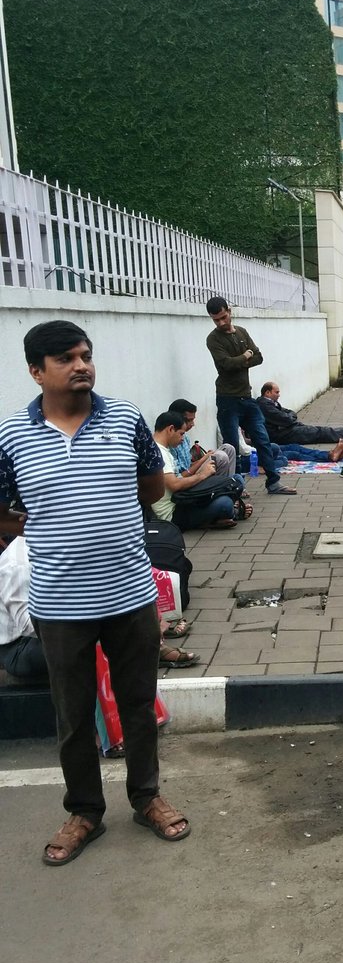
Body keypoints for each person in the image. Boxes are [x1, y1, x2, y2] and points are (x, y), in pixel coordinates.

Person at [0, 319, 190, 865]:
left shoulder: (126, 419)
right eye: (66, 359)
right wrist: (53, 531)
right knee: (74, 712)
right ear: (36, 371)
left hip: (130, 595)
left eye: (85, 355)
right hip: (60, 605)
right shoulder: (12, 437)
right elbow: (7, 510)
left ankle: (147, 797)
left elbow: (151, 488)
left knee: (137, 704)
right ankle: (85, 810)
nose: (81, 365)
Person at [205, 296, 295, 496]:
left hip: (247, 397)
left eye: (223, 317)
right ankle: (237, 487)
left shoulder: (242, 332)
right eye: (216, 320)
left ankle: (273, 483)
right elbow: (225, 365)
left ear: (230, 311)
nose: (221, 323)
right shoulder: (213, 339)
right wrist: (245, 356)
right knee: (232, 446)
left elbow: (259, 357)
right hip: (228, 398)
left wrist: (240, 360)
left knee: (262, 439)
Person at [152, 411, 238, 531]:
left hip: (182, 500)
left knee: (233, 483)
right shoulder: (159, 452)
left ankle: (220, 516)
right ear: (170, 429)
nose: (183, 439)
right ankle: (221, 516)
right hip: (173, 513)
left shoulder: (158, 449)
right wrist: (203, 475)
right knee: (225, 504)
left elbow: (179, 478)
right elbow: (175, 485)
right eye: (181, 434)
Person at [256, 382, 343, 449]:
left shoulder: (270, 403)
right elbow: (286, 418)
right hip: (282, 434)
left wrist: (291, 417)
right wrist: (291, 417)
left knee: (320, 431)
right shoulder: (265, 405)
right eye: (276, 392)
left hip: (286, 430)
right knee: (321, 433)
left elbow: (290, 412)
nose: (279, 395)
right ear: (267, 393)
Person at [0, 536, 47, 681]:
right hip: (19, 647)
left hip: (43, 632)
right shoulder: (19, 562)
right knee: (83, 643)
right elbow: (27, 625)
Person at [168, 397, 238, 477]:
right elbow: (180, 476)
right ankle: (223, 486)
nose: (192, 424)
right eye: (189, 420)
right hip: (188, 478)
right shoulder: (169, 442)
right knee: (220, 457)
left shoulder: (185, 437)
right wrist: (204, 459)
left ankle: (230, 482)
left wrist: (206, 457)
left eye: (193, 420)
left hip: (192, 470)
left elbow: (189, 465)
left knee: (228, 448)